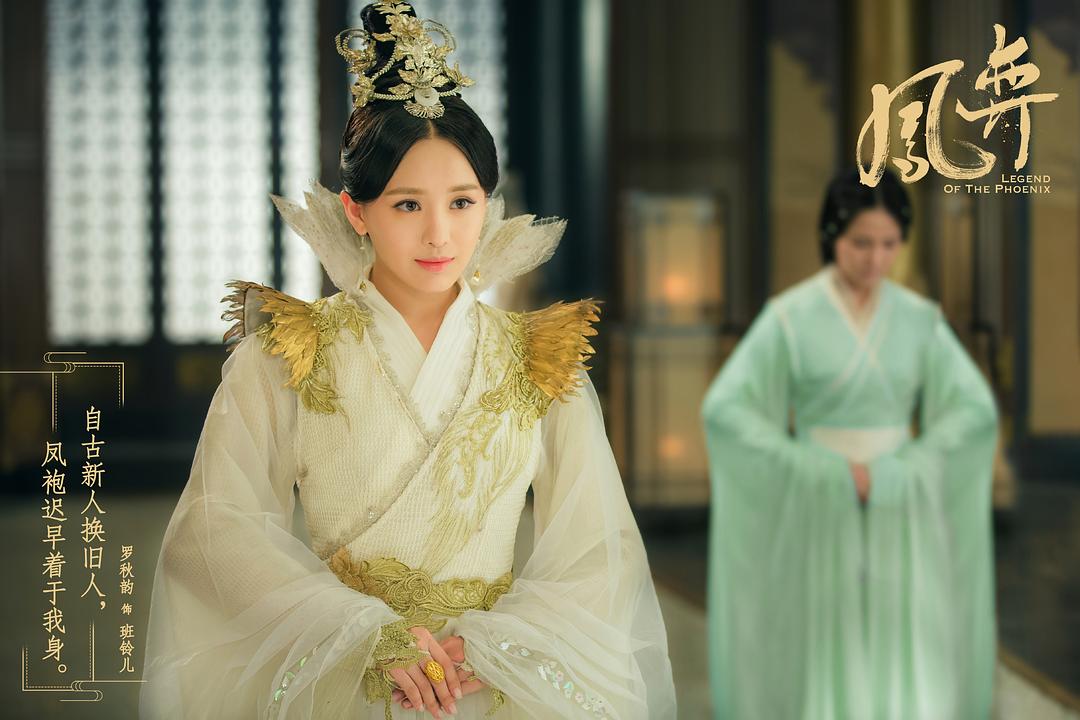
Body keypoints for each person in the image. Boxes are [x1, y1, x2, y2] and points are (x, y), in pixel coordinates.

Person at [139, 3, 676, 718]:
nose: (439, 234)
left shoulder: (540, 360)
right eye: (407, 206)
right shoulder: (288, 352)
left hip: (485, 680)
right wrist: (363, 633)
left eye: (462, 202)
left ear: (488, 204)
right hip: (344, 673)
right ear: (356, 210)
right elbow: (215, 529)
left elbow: (597, 550)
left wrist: (499, 644)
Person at [701, 168, 998, 719]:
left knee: (901, 627)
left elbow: (974, 411)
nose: (875, 259)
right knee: (823, 631)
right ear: (832, 235)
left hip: (900, 499)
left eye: (889, 244)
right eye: (861, 242)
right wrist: (808, 466)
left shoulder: (920, 320)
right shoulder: (790, 317)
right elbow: (726, 409)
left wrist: (909, 466)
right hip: (820, 498)